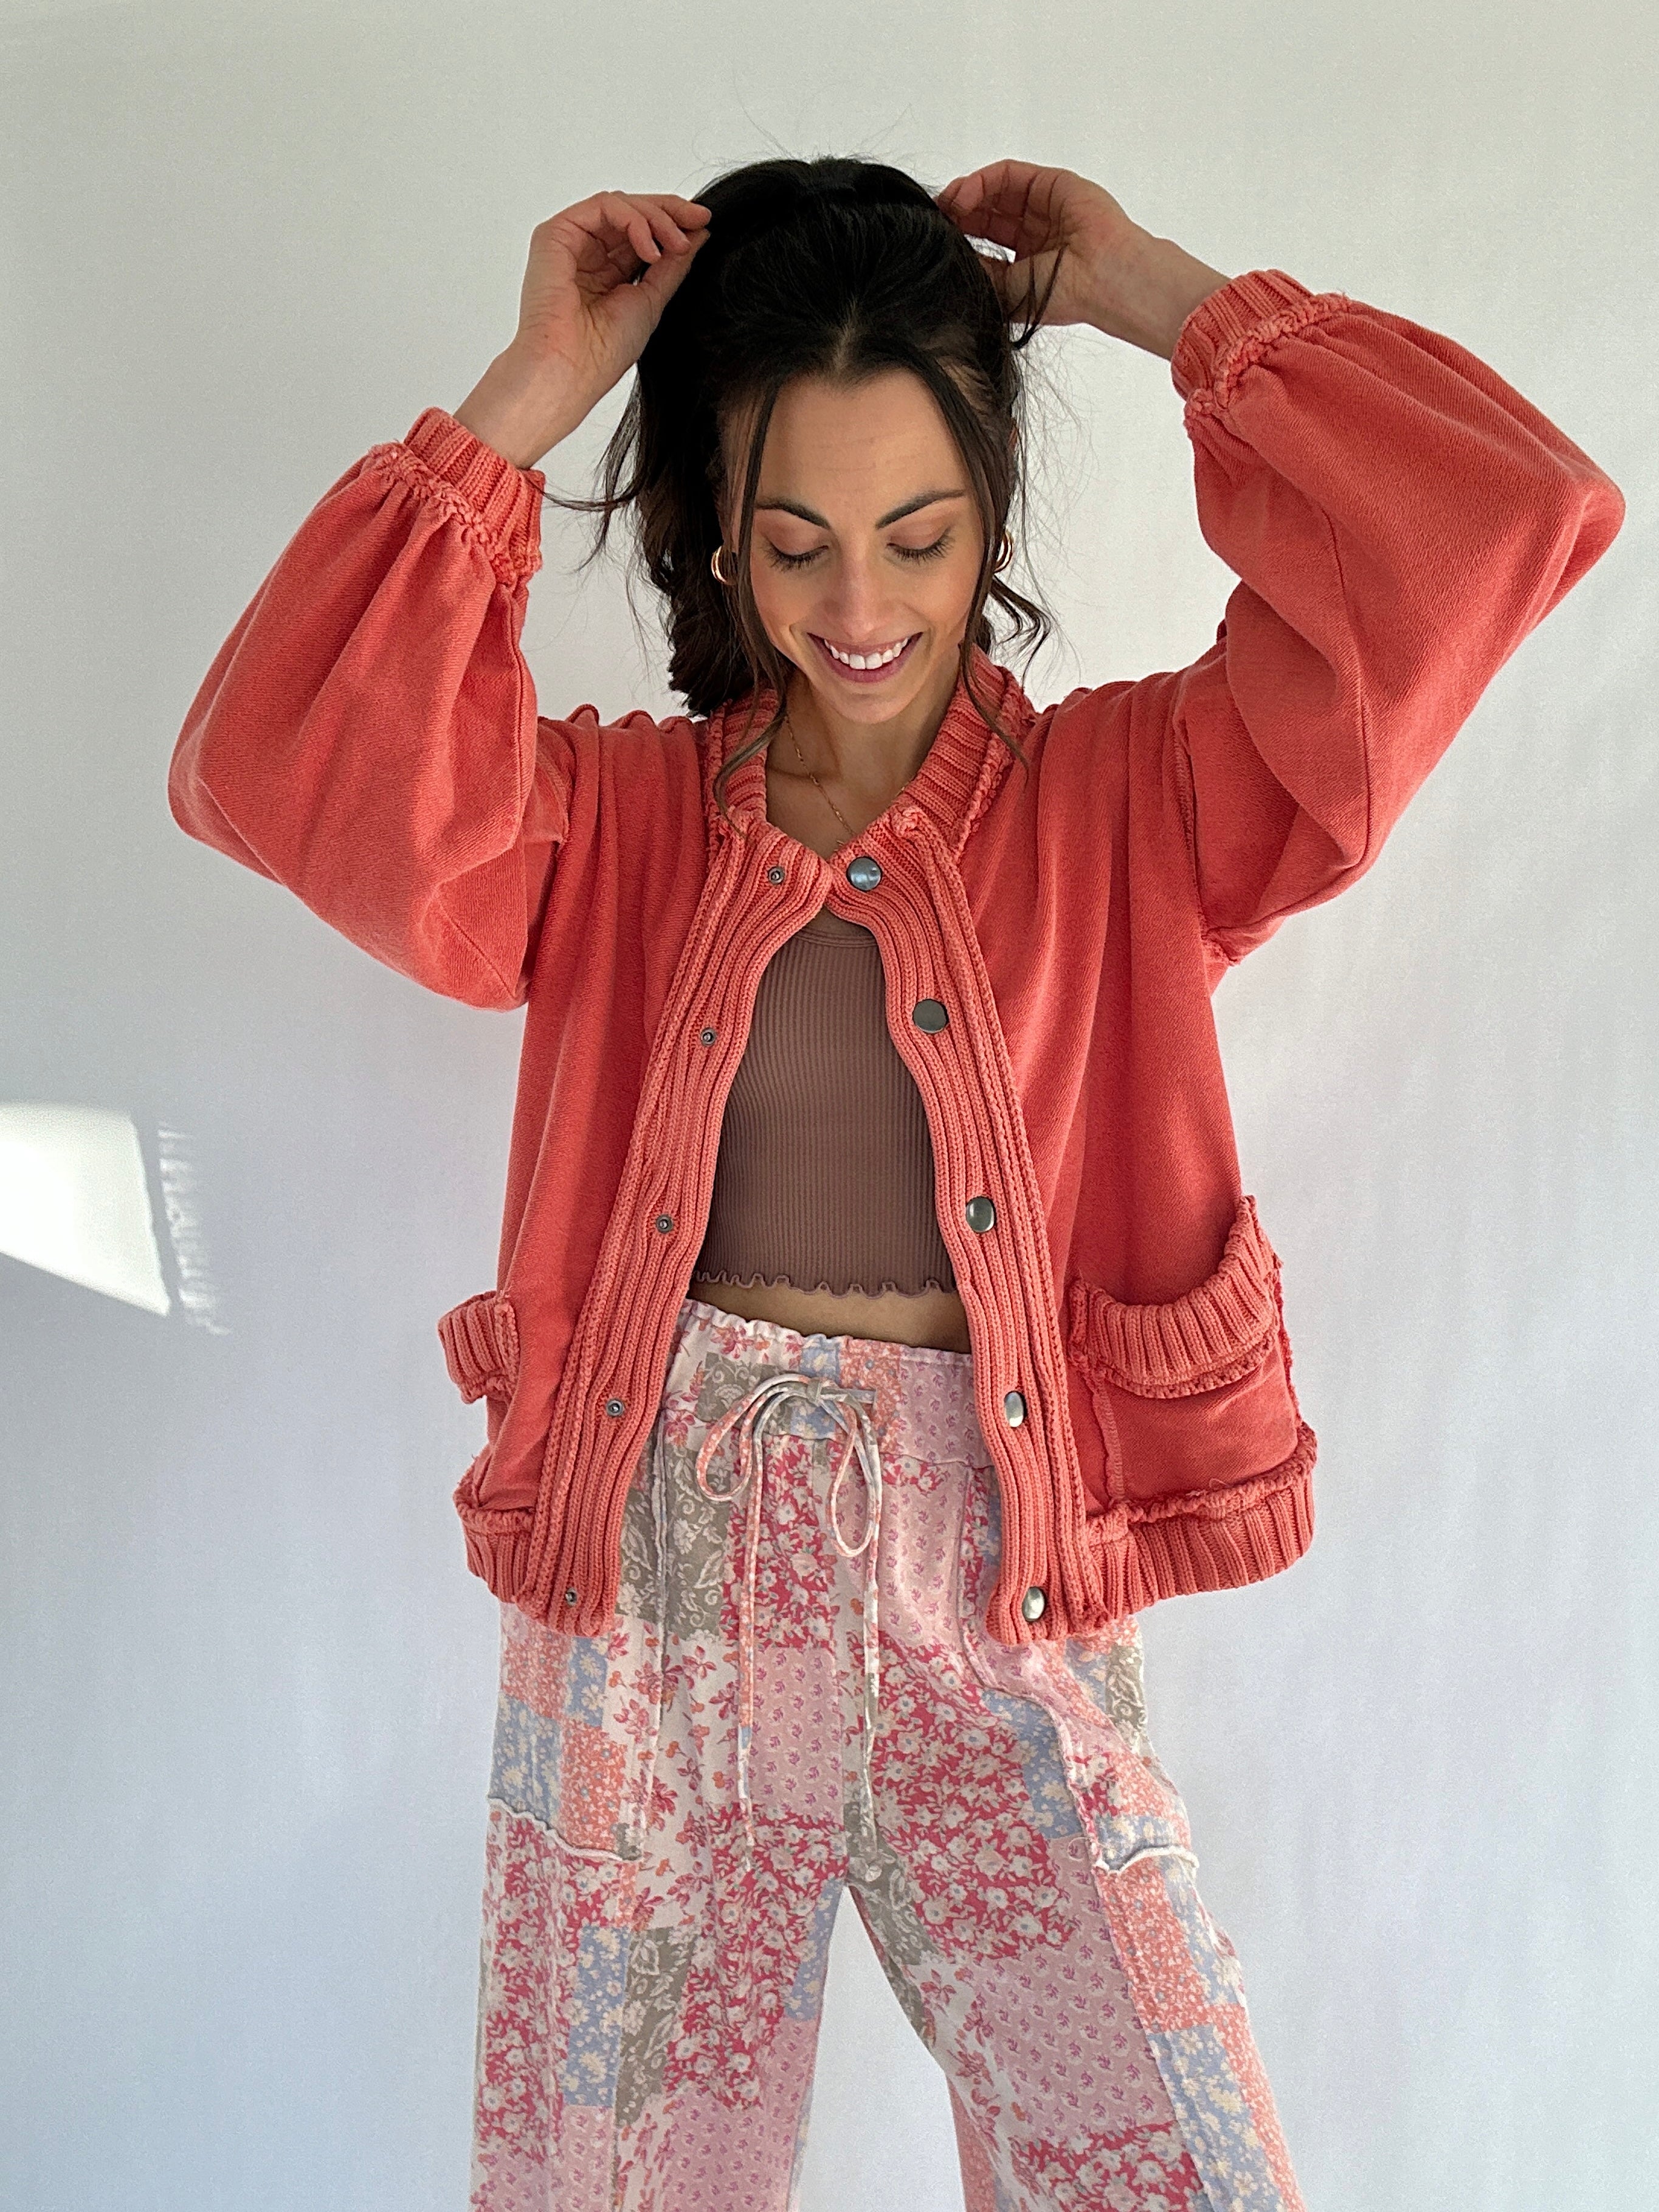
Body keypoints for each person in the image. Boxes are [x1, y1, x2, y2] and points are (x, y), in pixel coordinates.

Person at [168, 154, 1624, 2210]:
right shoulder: (603, 826)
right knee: (611, 2182)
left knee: (1172, 2166)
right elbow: (273, 757)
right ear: (711, 539)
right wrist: (533, 384)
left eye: (921, 536)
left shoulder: (1144, 800)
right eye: (798, 544)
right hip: (657, 1568)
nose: (862, 609)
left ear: (995, 518)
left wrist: (1151, 295)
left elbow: (1503, 520)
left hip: (1000, 1561)